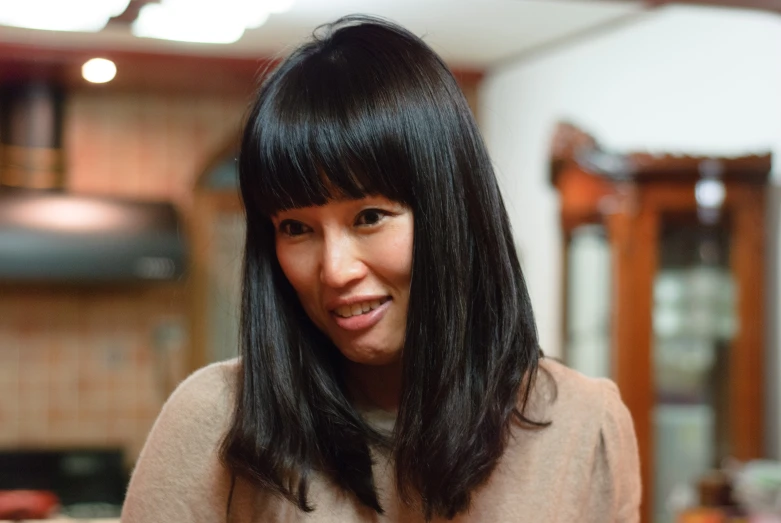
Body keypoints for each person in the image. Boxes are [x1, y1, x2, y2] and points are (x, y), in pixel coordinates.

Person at [121, 15, 641, 523]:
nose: (334, 270)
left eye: (369, 217)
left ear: (452, 213)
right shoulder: (217, 421)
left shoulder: (583, 426)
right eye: (296, 228)